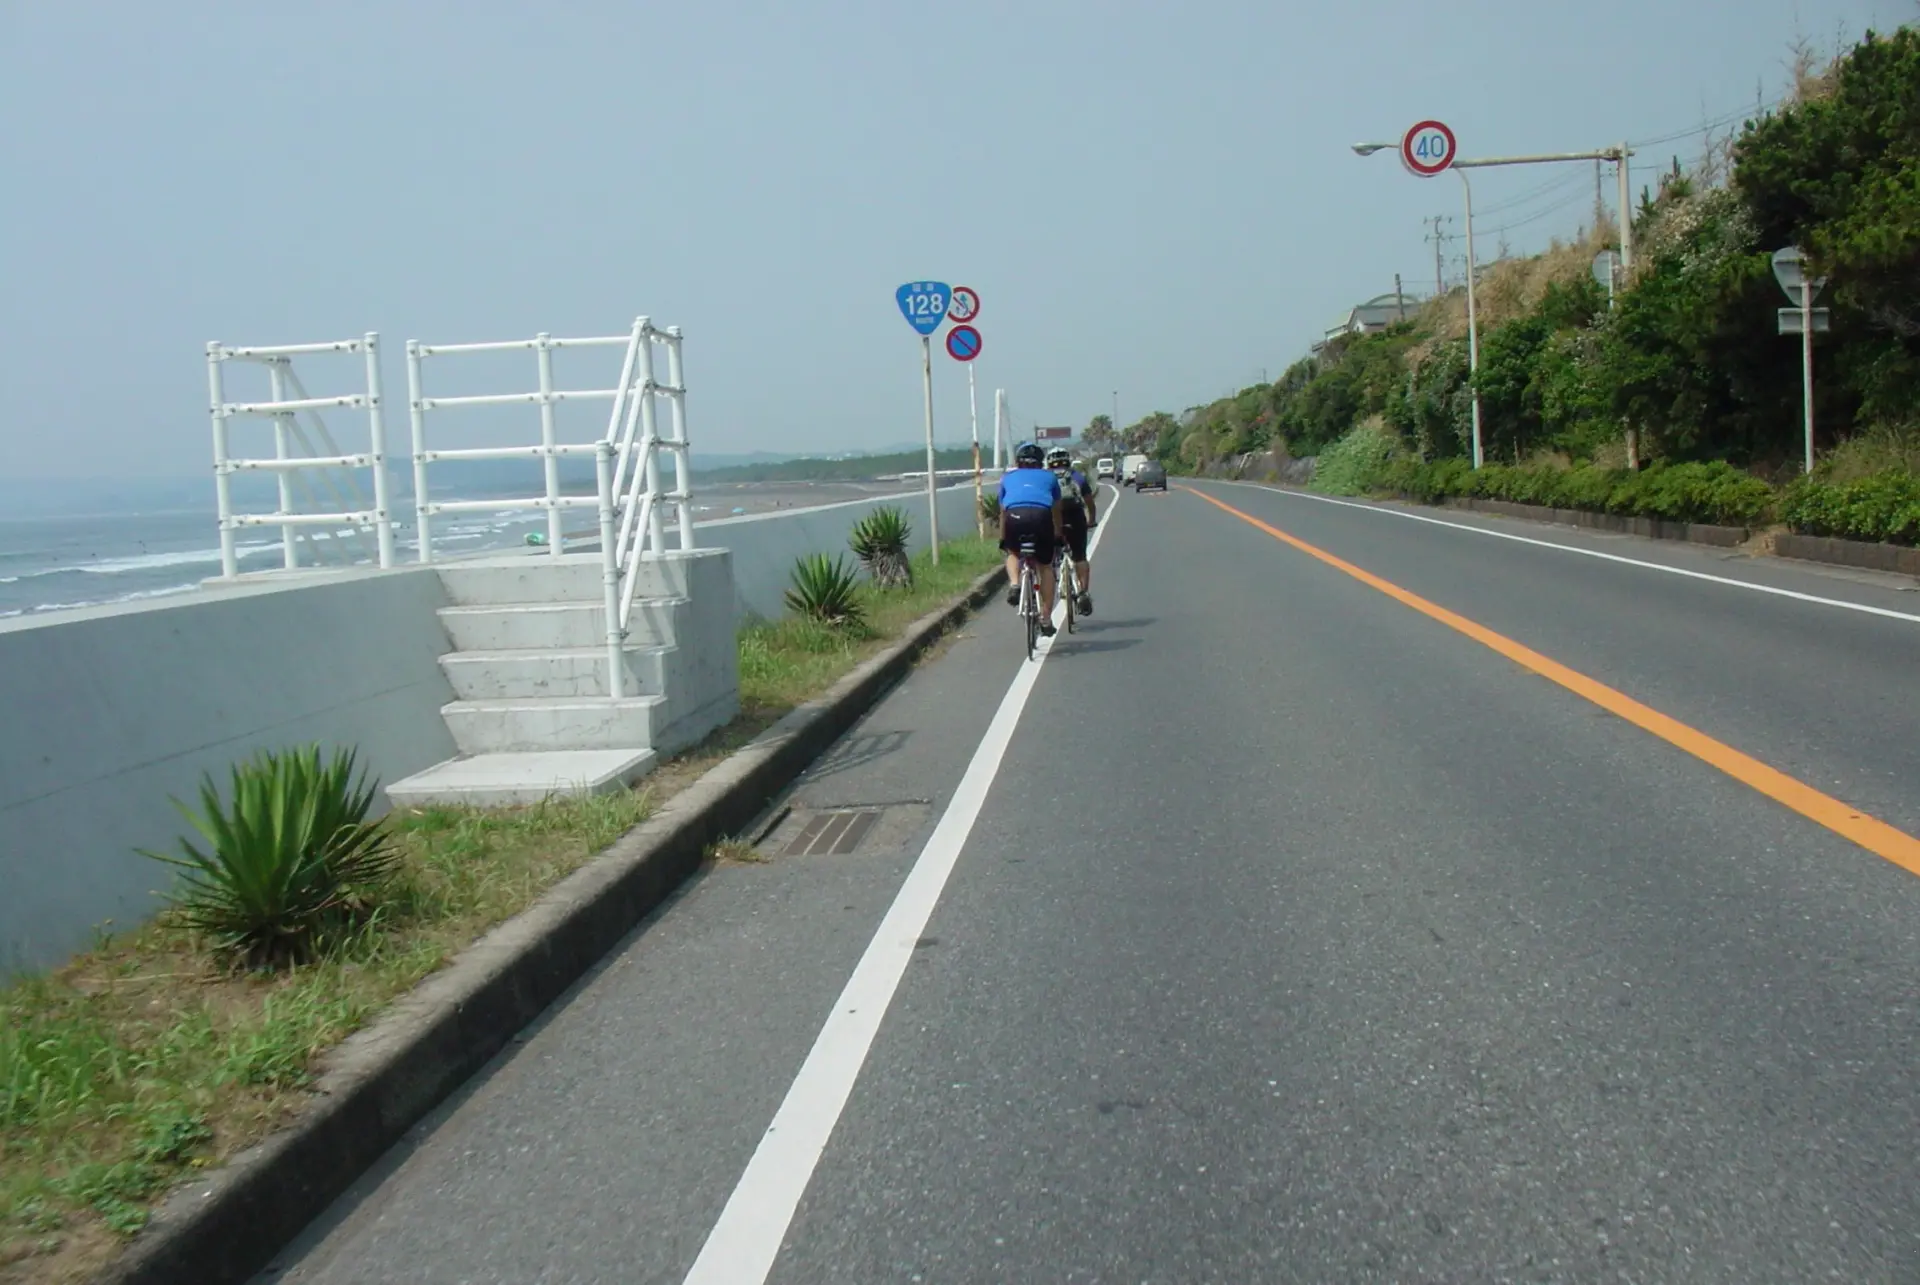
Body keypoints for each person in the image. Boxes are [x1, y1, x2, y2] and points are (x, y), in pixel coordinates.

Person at [998, 442, 1063, 635]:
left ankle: (1015, 584)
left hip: (1014, 516)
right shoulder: (1050, 477)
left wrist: (1004, 538)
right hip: (1041, 516)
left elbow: (1003, 511)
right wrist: (1057, 533)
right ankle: (1045, 618)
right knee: (1045, 566)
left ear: (1018, 462)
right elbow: (1056, 509)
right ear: (1040, 462)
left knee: (1013, 553)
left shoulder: (1007, 478)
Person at [1046, 447, 1096, 615]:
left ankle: (1050, 586)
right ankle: (1083, 592)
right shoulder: (1077, 477)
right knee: (1080, 556)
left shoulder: (1046, 478)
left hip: (1052, 521)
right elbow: (1089, 501)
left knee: (1048, 560)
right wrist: (1091, 520)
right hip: (1075, 519)